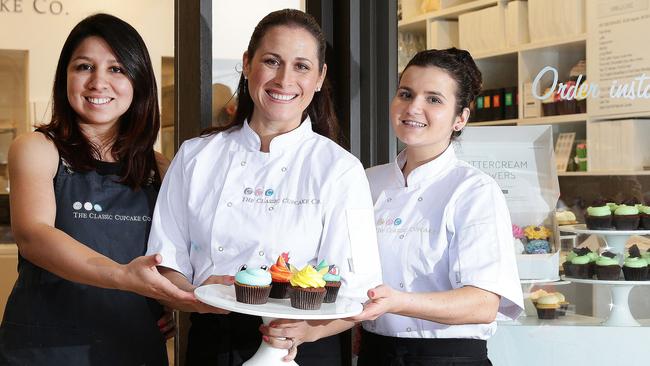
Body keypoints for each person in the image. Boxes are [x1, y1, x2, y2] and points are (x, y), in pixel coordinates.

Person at [146, 8, 382, 366]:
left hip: (300, 347)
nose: (285, 79)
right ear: (246, 64)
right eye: (272, 61)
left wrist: (309, 330)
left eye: (302, 66)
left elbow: (357, 290)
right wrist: (195, 296)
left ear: (319, 78)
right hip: (212, 343)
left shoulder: (340, 170)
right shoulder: (196, 157)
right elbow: (167, 260)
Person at [0, 13, 196, 365]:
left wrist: (179, 297)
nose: (98, 82)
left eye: (117, 69)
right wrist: (123, 277)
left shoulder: (160, 167)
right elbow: (33, 234)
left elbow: (172, 257)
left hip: (134, 345)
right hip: (46, 348)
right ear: (65, 78)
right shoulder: (37, 148)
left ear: (138, 80)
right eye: (84, 67)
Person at [351, 48, 524, 365]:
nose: (413, 107)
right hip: (375, 354)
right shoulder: (365, 183)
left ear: (461, 118)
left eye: (433, 99)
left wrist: (397, 302)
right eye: (406, 93)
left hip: (448, 357)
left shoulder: (474, 191)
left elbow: (483, 303)